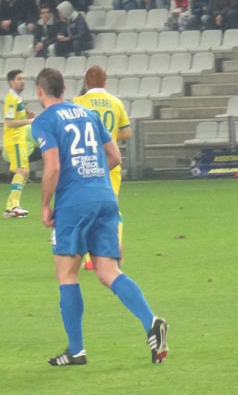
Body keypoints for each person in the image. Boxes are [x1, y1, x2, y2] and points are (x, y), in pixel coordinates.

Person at [31, 67, 168, 367]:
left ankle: (76, 350)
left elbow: (52, 167)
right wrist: (92, 177)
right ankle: (151, 321)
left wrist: (44, 204)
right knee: (108, 271)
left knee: (67, 274)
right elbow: (116, 157)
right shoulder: (87, 114)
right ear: (65, 88)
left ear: (40, 91)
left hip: (73, 203)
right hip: (105, 197)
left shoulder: (43, 121)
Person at [73, 65, 131, 270]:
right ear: (105, 83)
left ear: (86, 83)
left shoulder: (78, 103)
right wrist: (111, 136)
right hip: (111, 164)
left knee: (85, 208)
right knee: (111, 207)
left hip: (86, 163)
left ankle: (86, 256)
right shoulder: (116, 103)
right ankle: (114, 245)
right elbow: (127, 132)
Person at [2, 69, 35, 218]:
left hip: (20, 139)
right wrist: (29, 121)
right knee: (21, 171)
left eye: (23, 78)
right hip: (14, 139)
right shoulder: (11, 100)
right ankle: (14, 205)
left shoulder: (17, 99)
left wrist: (27, 116)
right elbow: (9, 123)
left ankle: (10, 207)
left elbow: (17, 118)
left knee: (24, 173)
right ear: (11, 82)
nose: (22, 81)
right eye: (19, 79)